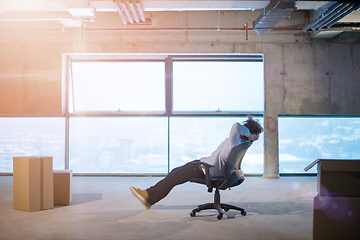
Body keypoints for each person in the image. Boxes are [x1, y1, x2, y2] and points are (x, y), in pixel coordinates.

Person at [130, 115, 263, 209]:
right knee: (174, 173)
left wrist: (249, 133)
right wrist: (249, 134)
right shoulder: (242, 143)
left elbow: (236, 126)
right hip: (206, 165)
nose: (257, 137)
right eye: (256, 133)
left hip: (205, 169)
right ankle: (150, 197)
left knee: (172, 178)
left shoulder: (237, 142)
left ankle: (148, 195)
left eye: (258, 135)